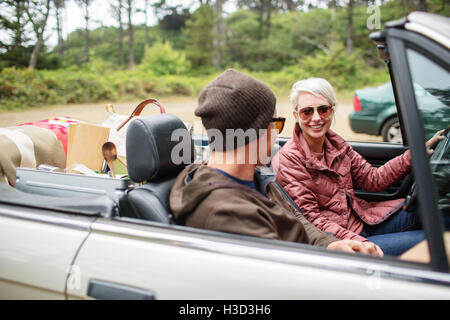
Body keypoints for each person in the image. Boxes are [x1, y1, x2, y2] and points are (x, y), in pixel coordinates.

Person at [170, 69, 383, 256]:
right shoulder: (228, 214)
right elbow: (287, 278)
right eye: (276, 124)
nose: (277, 135)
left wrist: (329, 245)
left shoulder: (256, 178)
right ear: (256, 133)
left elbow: (296, 221)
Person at [272, 77, 444, 256]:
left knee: (438, 209)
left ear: (331, 111)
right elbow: (312, 221)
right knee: (433, 241)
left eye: (323, 109)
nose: (316, 118)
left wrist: (413, 155)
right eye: (307, 112)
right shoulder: (289, 160)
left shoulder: (336, 144)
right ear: (296, 116)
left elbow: (373, 180)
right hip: (343, 241)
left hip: (364, 221)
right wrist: (361, 244)